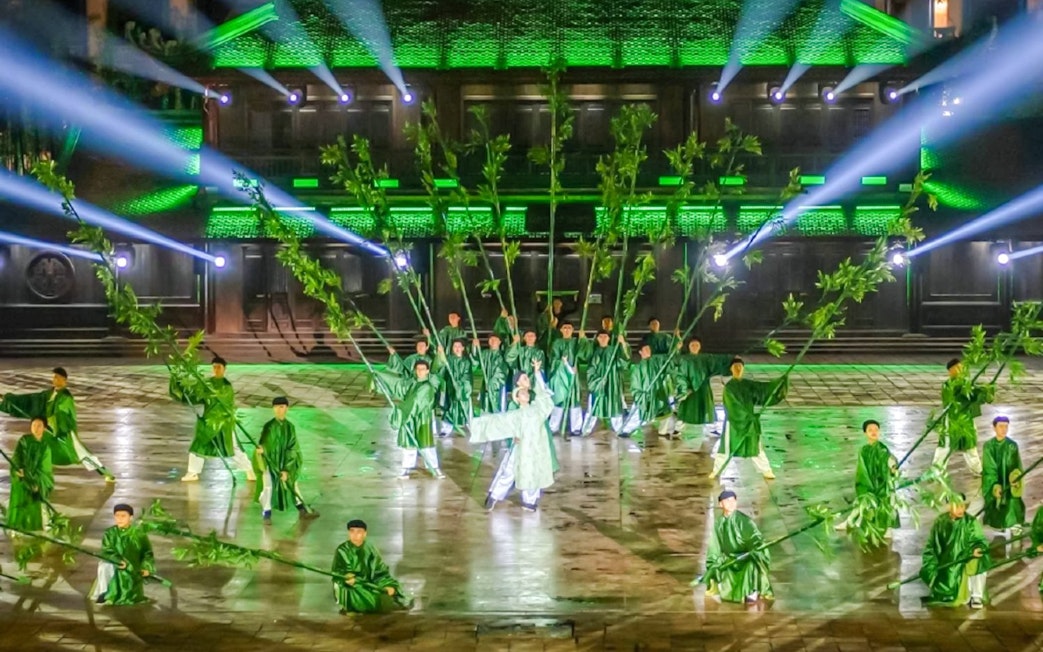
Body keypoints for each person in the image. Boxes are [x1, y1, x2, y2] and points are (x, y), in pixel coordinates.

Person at [471, 362, 558, 512]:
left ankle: (529, 500)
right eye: (524, 380)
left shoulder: (536, 408)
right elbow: (501, 422)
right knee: (509, 470)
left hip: (535, 446)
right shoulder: (515, 411)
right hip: (520, 445)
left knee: (533, 471)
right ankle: (495, 495)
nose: (526, 385)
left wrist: (537, 373)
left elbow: (545, 397)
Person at [0, 367, 113, 481]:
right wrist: (9, 399)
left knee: (82, 454)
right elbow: (31, 400)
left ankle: (104, 472)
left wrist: (54, 422)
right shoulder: (48, 394)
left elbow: (63, 413)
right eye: (54, 377)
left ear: (64, 380)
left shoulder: (66, 397)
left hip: (64, 433)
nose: (54, 380)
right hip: (49, 431)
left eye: (57, 377)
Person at [172, 357, 255, 483]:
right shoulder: (206, 383)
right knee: (198, 445)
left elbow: (222, 402)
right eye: (214, 367)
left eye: (219, 367)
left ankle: (249, 470)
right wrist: (182, 387)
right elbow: (196, 396)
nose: (216, 370)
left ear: (224, 369)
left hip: (223, 423)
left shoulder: (227, 387)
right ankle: (193, 472)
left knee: (233, 447)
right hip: (209, 422)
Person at [709, 358, 788, 481]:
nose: (738, 369)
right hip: (734, 423)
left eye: (740, 366)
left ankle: (766, 470)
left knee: (756, 448)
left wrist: (779, 382)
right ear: (731, 369)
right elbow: (733, 405)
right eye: (736, 367)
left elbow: (763, 390)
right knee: (725, 448)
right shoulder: (729, 387)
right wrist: (748, 417)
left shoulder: (748, 384)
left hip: (749, 421)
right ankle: (717, 470)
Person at [374, 359, 445, 480]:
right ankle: (406, 467)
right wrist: (379, 376)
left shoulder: (428, 387)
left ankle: (434, 467)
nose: (420, 372)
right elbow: (397, 384)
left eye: (423, 369)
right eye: (418, 369)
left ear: (427, 371)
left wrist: (402, 411)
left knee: (426, 444)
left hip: (422, 418)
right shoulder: (410, 383)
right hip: (410, 417)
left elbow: (416, 401)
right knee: (409, 444)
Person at [701, 490, 772, 604]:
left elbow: (756, 539)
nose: (731, 503)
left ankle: (751, 591)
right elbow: (715, 545)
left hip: (745, 557)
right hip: (728, 558)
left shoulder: (745, 521)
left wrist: (755, 549)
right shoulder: (719, 523)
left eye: (733, 501)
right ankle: (721, 587)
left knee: (751, 565)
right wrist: (714, 561)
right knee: (716, 565)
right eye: (727, 501)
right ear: (720, 504)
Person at [919, 494, 989, 608]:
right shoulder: (941, 521)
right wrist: (931, 562)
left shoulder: (971, 522)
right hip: (946, 563)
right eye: (957, 506)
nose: (961, 510)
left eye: (962, 506)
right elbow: (932, 545)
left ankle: (976, 596)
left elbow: (979, 540)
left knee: (979, 561)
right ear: (950, 507)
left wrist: (976, 549)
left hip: (965, 559)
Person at [256, 397, 318, 525]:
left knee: (292, 484)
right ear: (273, 409)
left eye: (282, 406)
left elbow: (292, 448)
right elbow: (263, 443)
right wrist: (262, 450)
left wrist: (286, 469)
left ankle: (301, 507)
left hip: (285, 462)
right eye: (277, 407)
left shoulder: (290, 427)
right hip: (270, 462)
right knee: (268, 486)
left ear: (287, 408)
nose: (279, 409)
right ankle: (266, 513)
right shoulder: (269, 426)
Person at [332, 519, 411, 614]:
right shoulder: (342, 550)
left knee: (393, 586)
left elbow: (380, 571)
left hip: (370, 582)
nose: (355, 535)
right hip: (350, 586)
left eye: (359, 532)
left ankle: (389, 600)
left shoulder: (370, 549)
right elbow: (337, 573)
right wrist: (346, 577)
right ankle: (383, 603)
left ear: (365, 534)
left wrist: (388, 585)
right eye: (352, 531)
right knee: (365, 595)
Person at [836, 419, 899, 538]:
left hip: (882, 483)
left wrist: (892, 467)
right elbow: (862, 468)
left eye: (876, 430)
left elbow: (890, 461)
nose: (874, 432)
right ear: (865, 433)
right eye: (870, 430)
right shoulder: (863, 450)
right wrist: (865, 483)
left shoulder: (883, 449)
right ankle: (850, 522)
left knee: (887, 504)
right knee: (862, 502)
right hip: (868, 483)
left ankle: (888, 528)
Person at [933, 358, 993, 475]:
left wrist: (985, 391)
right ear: (951, 370)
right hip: (951, 420)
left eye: (961, 368)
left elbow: (977, 395)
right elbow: (952, 398)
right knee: (945, 446)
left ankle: (977, 470)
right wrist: (966, 389)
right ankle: (937, 470)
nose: (960, 370)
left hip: (966, 420)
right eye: (957, 368)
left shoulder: (967, 383)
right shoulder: (947, 385)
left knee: (970, 447)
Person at [89, 504, 155, 605]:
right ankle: (105, 593)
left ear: (131, 517)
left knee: (129, 591)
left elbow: (147, 553)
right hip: (116, 566)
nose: (119, 519)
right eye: (117, 516)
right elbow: (107, 550)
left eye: (123, 516)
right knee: (104, 566)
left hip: (133, 569)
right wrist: (118, 561)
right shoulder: (110, 533)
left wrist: (146, 567)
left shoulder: (139, 534)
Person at [672, 337, 733, 437]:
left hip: (703, 387)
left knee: (706, 406)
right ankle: (678, 428)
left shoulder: (706, 358)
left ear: (700, 347)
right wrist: (677, 349)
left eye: (696, 345)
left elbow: (717, 362)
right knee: (685, 407)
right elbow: (675, 366)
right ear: (688, 347)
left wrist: (732, 359)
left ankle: (711, 429)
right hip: (688, 387)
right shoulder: (683, 358)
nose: (694, 347)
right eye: (692, 345)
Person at [6, 416, 54, 532]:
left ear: (44, 428)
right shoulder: (24, 440)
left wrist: (34, 480)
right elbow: (17, 457)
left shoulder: (46, 447)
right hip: (22, 479)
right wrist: (18, 469)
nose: (36, 428)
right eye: (33, 426)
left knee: (34, 505)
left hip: (34, 481)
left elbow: (45, 469)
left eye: (39, 426)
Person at [981, 416, 1025, 535]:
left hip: (1010, 482)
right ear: (994, 427)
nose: (1004, 429)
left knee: (1012, 503)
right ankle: (998, 526)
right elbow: (989, 468)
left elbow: (1017, 464)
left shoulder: (1012, 445)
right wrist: (995, 484)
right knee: (997, 504)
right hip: (996, 480)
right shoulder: (988, 446)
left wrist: (1016, 477)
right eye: (1001, 426)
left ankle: (1015, 525)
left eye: (1006, 426)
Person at [580, 331, 630, 434]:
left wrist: (623, 343)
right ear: (597, 339)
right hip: (598, 384)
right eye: (601, 337)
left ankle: (619, 429)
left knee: (615, 406)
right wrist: (597, 381)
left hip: (612, 383)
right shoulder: (594, 352)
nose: (603, 338)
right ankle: (586, 429)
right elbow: (591, 369)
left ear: (608, 338)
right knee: (593, 407)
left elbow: (624, 361)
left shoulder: (614, 351)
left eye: (605, 336)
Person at [621, 343, 669, 437]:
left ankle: (664, 432)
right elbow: (635, 384)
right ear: (640, 352)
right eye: (645, 349)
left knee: (666, 415)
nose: (648, 351)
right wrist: (640, 395)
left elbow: (668, 362)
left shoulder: (657, 363)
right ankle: (625, 430)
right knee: (637, 416)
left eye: (649, 349)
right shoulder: (637, 368)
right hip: (643, 396)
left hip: (657, 395)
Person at [548, 322, 583, 436]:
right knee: (559, 400)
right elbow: (553, 359)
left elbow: (584, 354)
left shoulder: (576, 342)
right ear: (561, 330)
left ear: (573, 330)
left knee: (574, 400)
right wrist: (564, 365)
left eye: (569, 328)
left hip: (573, 375)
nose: (567, 330)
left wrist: (584, 339)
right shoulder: (557, 343)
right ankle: (553, 426)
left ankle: (576, 427)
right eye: (564, 327)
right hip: (561, 377)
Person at [438, 340, 474, 436]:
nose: (457, 349)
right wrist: (441, 355)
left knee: (464, 408)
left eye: (459, 346)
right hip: (451, 389)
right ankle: (446, 427)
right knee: (450, 408)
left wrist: (460, 385)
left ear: (463, 348)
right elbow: (442, 371)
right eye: (455, 346)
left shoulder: (466, 361)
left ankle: (468, 426)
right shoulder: (449, 360)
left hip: (462, 389)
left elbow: (467, 376)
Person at [473, 334, 510, 414]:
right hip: (485, 388)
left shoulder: (503, 355)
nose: (493, 341)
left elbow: (502, 372)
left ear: (500, 342)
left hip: (497, 388)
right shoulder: (484, 354)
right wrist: (475, 348)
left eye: (495, 339)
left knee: (497, 408)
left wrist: (492, 383)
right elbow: (475, 362)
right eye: (491, 339)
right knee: (485, 408)